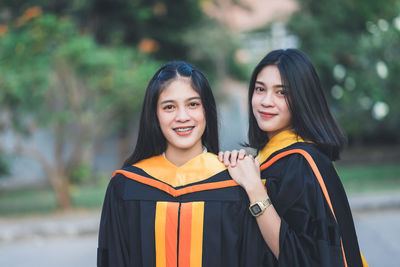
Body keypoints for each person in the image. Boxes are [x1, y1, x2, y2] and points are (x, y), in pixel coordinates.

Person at [97, 61, 265, 267]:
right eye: (169, 107)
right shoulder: (127, 186)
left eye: (193, 104)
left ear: (207, 111)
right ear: (155, 115)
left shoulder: (235, 183)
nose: (182, 117)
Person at [219, 49, 367, 266]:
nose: (266, 101)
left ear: (302, 99)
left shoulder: (302, 164)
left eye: (282, 93)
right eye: (260, 89)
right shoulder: (273, 157)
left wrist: (255, 190)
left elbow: (300, 259)